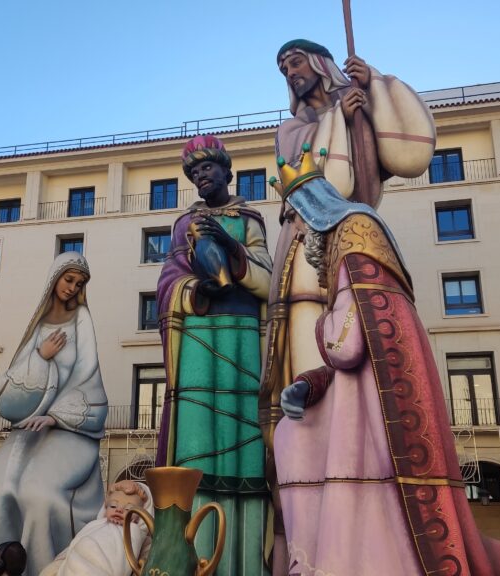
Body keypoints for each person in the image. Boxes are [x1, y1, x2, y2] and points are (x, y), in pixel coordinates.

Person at [265, 40, 500, 575]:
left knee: (319, 443)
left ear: (319, 63)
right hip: (326, 341)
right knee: (300, 431)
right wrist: (341, 115)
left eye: (296, 61)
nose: (289, 72)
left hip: (365, 412)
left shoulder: (356, 240)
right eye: (282, 67)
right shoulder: (296, 135)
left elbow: (344, 341)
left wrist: (371, 86)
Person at [155, 135, 273, 575]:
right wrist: (194, 289)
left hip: (242, 333)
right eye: (194, 172)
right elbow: (169, 277)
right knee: (197, 443)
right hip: (200, 332)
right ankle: (197, 558)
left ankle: (247, 564)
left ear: (227, 172)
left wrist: (231, 245)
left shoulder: (250, 220)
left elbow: (268, 279)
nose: (201, 177)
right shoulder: (184, 224)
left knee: (245, 442)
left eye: (207, 168)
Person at [0, 252, 109, 575]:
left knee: (40, 496)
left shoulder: (81, 319)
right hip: (28, 430)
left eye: (79, 283)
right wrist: (41, 355)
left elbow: (87, 374)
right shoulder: (38, 326)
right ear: (54, 278)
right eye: (68, 279)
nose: (72, 288)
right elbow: (13, 382)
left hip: (70, 429)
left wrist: (56, 416)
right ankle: (3, 568)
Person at [39, 480, 154, 576]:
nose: (119, 510)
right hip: (79, 560)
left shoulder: (139, 535)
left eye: (128, 509)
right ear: (105, 507)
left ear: (141, 515)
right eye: (113, 506)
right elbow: (72, 548)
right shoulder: (94, 525)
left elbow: (147, 559)